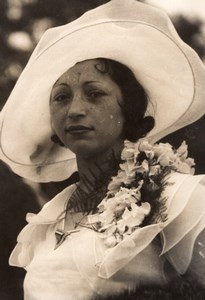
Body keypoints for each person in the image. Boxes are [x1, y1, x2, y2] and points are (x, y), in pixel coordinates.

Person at [0, 0, 205, 299]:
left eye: (94, 94)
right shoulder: (46, 222)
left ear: (129, 109)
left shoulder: (176, 194)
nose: (75, 110)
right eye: (61, 98)